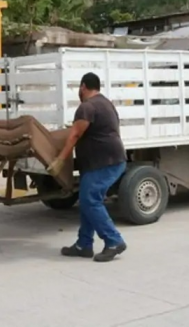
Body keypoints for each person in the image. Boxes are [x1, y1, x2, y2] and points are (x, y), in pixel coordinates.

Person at [47, 72, 128, 263]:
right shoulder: (106, 103)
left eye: (79, 88)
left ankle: (114, 241)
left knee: (90, 200)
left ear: (83, 87)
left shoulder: (87, 107)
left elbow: (75, 135)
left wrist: (60, 160)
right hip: (108, 160)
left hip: (104, 163)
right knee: (87, 201)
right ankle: (84, 245)